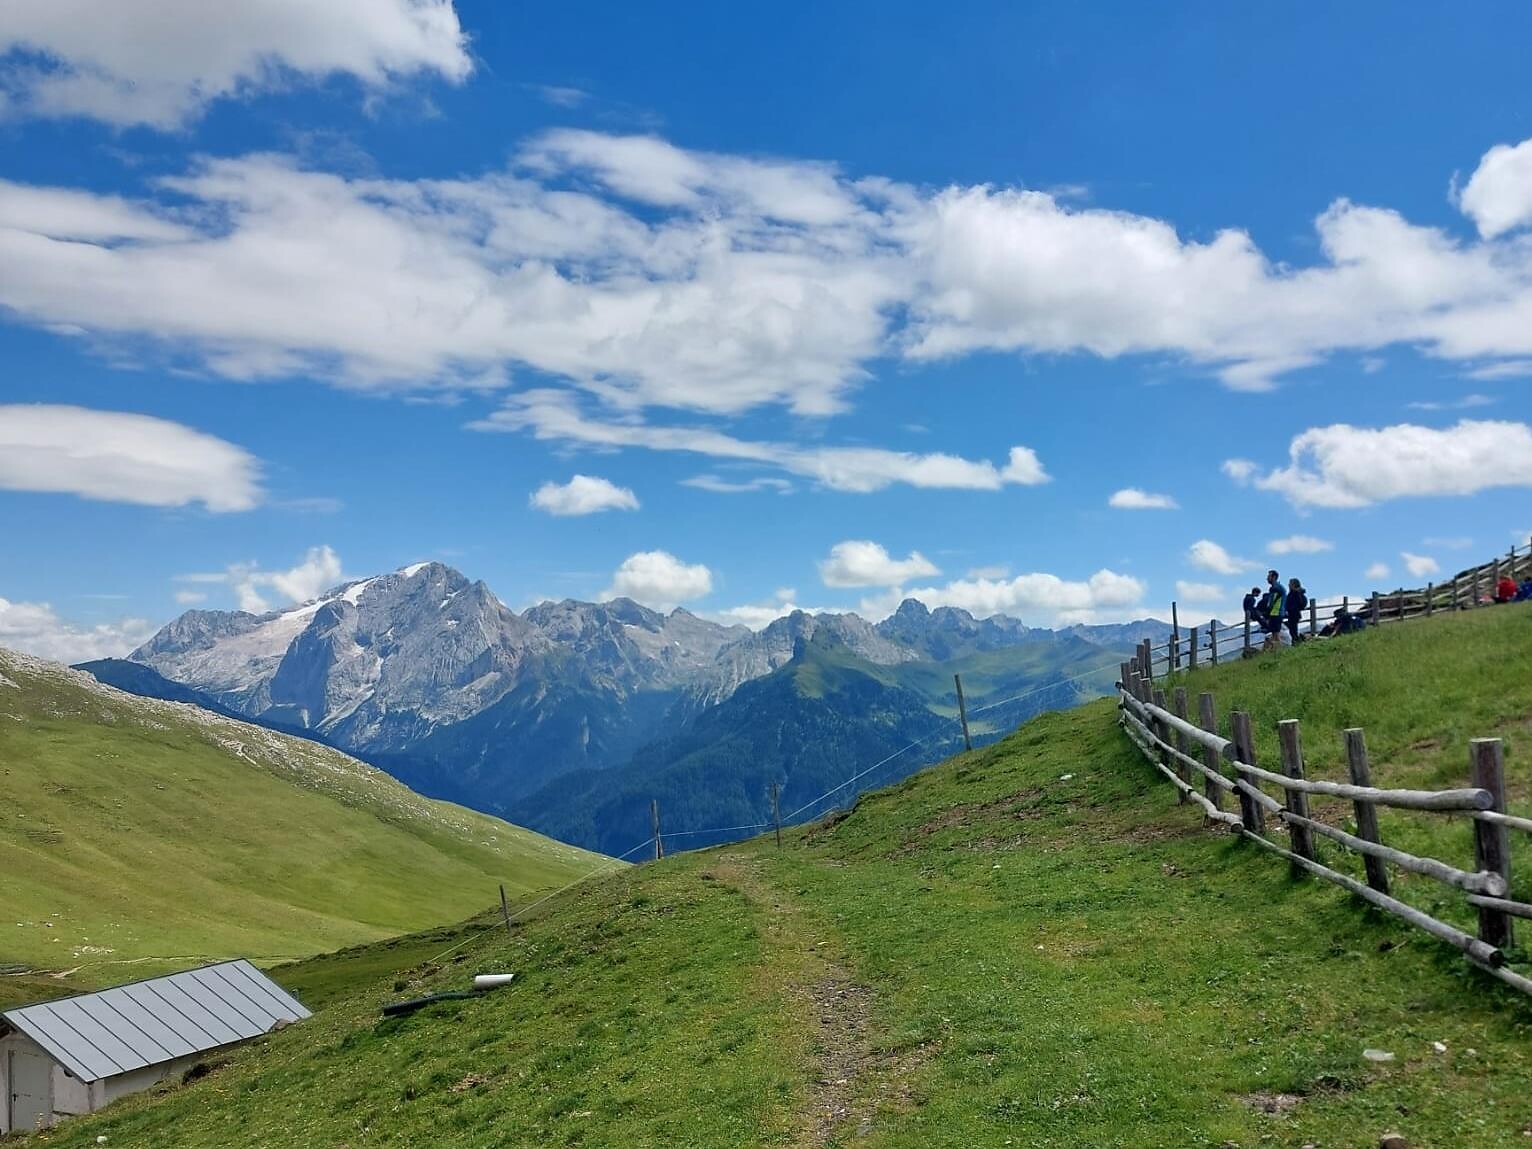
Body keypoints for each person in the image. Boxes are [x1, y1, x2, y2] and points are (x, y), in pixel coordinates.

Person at [1260, 569, 1286, 636]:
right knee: (1274, 634)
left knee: (1276, 634)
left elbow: (1271, 602)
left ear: (1274, 577)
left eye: (1269, 576)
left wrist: (1267, 611)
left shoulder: (1276, 588)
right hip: (1276, 612)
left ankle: (1279, 646)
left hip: (1276, 612)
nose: (1267, 578)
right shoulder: (1278, 587)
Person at [1285, 577, 1308, 642]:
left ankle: (1297, 642)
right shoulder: (1295, 593)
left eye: (1290, 583)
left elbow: (1297, 603)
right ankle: (1296, 641)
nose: (1288, 585)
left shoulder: (1295, 593)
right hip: (1294, 613)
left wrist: (1290, 608)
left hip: (1294, 613)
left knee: (1293, 630)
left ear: (1293, 585)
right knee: (1293, 630)